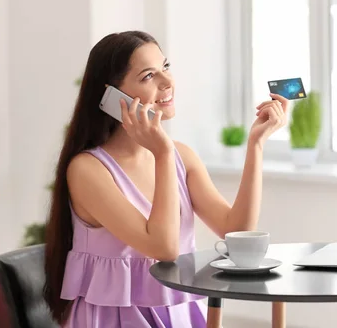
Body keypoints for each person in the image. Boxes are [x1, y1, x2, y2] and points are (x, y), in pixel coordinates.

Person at [43, 31, 289, 327]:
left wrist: (256, 145)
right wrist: (161, 153)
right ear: (112, 97)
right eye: (148, 76)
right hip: (116, 318)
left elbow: (236, 230)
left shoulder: (181, 156)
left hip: (177, 311)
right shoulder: (87, 170)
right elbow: (164, 247)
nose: (167, 82)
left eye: (166, 68)